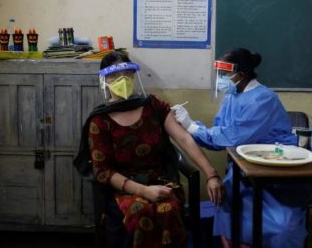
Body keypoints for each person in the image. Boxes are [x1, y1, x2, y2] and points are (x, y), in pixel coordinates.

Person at [79, 51, 224, 248]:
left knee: (168, 209)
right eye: (114, 76)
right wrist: (143, 191)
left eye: (127, 73)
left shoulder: (153, 106)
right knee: (141, 213)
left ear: (133, 75)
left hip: (160, 180)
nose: (122, 79)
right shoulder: (100, 121)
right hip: (123, 188)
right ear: (105, 80)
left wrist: (211, 174)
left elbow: (183, 138)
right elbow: (102, 171)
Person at [172, 48, 312, 248]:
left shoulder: (263, 99)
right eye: (219, 73)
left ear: (242, 74)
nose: (221, 78)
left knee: (282, 227)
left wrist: (191, 126)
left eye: (225, 73)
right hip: (243, 173)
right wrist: (191, 126)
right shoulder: (233, 96)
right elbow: (219, 133)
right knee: (230, 214)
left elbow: (230, 136)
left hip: (276, 175)